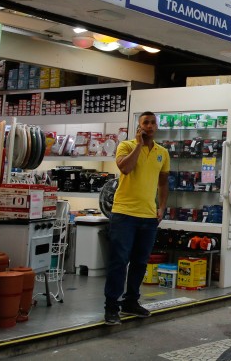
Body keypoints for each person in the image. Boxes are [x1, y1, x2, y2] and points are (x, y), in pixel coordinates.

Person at [103, 111, 169, 325]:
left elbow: (163, 182)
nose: (149, 126)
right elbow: (125, 168)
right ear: (138, 127)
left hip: (148, 217)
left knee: (140, 262)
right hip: (124, 214)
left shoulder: (162, 152)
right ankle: (111, 306)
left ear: (156, 126)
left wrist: (162, 206)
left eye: (152, 123)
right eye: (145, 123)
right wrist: (139, 145)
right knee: (119, 261)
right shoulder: (127, 147)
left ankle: (131, 301)